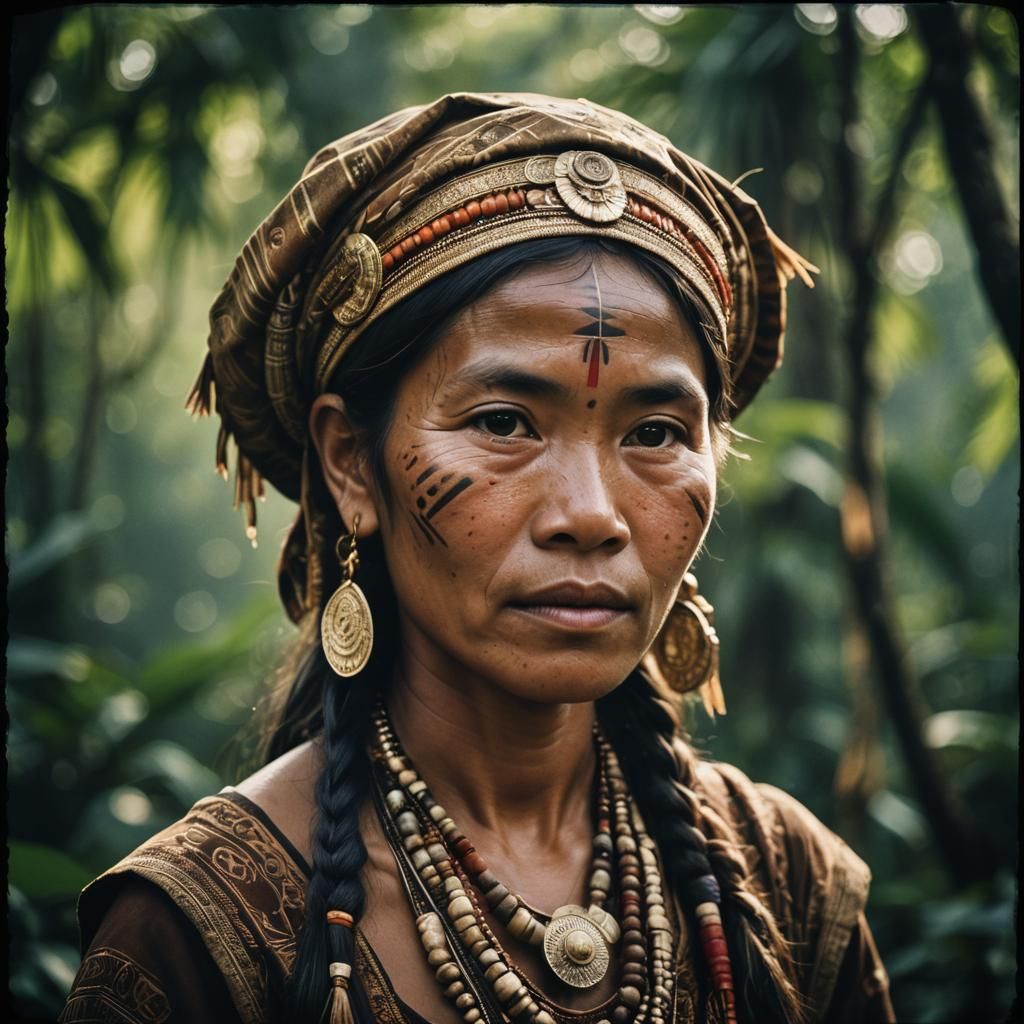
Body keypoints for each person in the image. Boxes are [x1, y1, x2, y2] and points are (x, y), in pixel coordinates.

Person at [59, 92, 895, 1024]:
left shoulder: (790, 885)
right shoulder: (196, 935)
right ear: (350, 466)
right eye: (503, 423)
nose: (591, 515)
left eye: (656, 431)